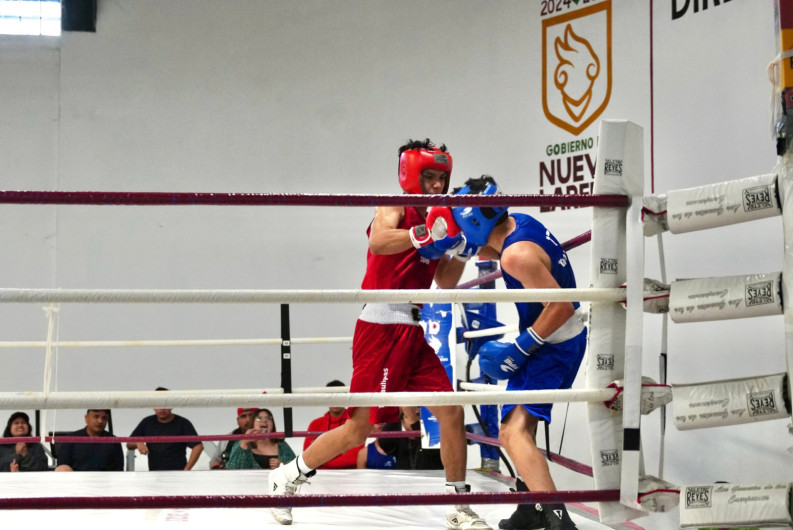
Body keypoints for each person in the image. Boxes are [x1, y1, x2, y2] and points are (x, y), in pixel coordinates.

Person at [268, 139, 490, 529]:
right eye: (430, 177)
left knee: (451, 412)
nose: (437, 185)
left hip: (412, 330)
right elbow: (379, 241)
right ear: (410, 175)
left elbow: (444, 279)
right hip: (380, 325)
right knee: (358, 430)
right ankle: (286, 478)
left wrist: (462, 245)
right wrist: (425, 233)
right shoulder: (393, 204)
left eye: (442, 178)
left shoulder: (442, 217)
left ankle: (458, 502)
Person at [453, 175, 586, 530]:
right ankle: (530, 507)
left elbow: (563, 307)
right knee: (513, 425)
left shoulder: (514, 256)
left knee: (513, 433)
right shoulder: (519, 225)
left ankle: (559, 520)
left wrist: (521, 347)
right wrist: (453, 244)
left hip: (555, 342)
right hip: (549, 338)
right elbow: (486, 247)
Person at [127, 387, 204, 471]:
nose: (162, 408)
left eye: (165, 403)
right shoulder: (147, 422)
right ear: (152, 406)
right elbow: (129, 444)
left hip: (179, 475)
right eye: (158, 404)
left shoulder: (183, 423)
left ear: (172, 405)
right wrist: (138, 443)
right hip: (154, 474)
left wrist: (186, 470)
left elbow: (198, 446)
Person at [302, 380, 362, 470]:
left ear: (346, 398)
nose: (335, 400)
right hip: (320, 478)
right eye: (331, 396)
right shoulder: (315, 424)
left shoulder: (354, 422)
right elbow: (308, 456)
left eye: (339, 396)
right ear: (326, 399)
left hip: (349, 477)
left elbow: (354, 457)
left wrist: (322, 460)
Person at [54, 409, 124, 471]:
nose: (100, 421)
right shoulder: (70, 439)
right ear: (86, 418)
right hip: (76, 483)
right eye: (96, 416)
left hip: (105, 483)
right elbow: (62, 467)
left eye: (104, 418)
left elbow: (119, 470)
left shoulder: (114, 441)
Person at [227, 408, 296, 470]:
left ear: (272, 424)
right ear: (252, 424)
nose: (264, 421)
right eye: (258, 418)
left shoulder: (282, 446)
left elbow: (296, 469)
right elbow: (232, 469)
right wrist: (244, 443)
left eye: (268, 418)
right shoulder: (241, 443)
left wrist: (283, 466)